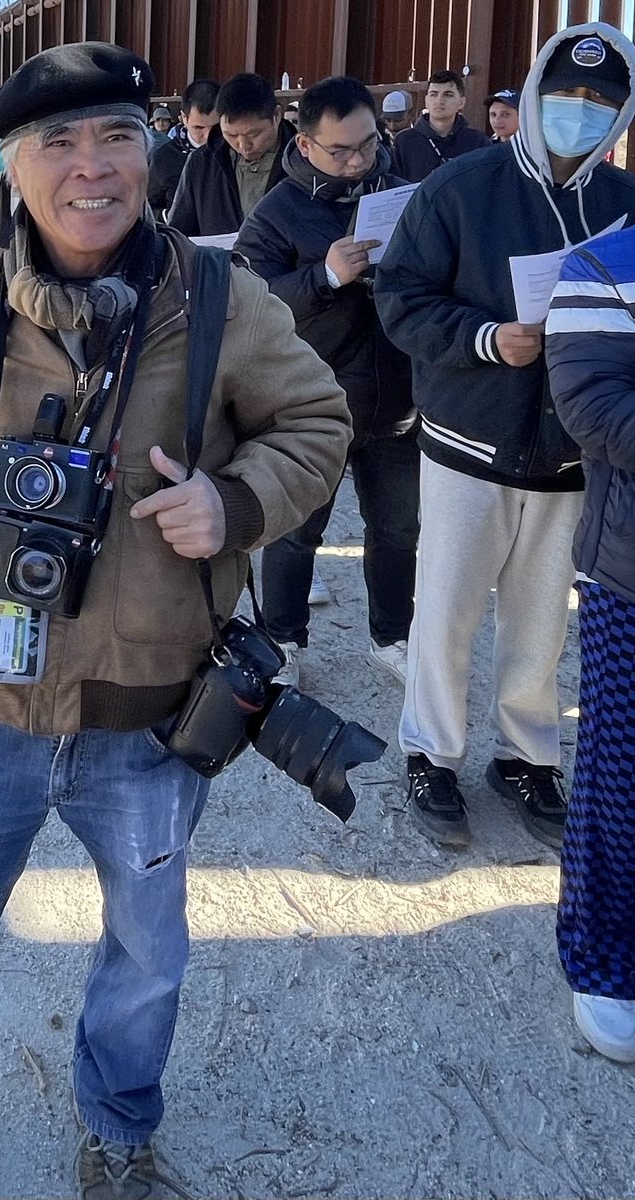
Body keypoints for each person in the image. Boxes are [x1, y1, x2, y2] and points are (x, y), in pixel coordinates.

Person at [0, 41, 351, 1200]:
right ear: (6, 159)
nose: (90, 169)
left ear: (148, 150)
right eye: (57, 141)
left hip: (149, 714)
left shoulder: (214, 297)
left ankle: (118, 1133)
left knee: (148, 956)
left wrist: (234, 499)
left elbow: (315, 418)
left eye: (114, 138)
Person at [374, 22, 635, 851]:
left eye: (600, 102)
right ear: (529, 96)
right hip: (469, 442)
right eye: (564, 95)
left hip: (571, 456)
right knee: (445, 610)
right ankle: (430, 752)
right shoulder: (461, 187)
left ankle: (526, 757)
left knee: (539, 622)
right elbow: (401, 297)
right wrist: (487, 338)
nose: (579, 112)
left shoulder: (623, 206)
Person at [235, 76, 418, 688]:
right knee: (295, 530)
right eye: (340, 150)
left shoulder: (399, 193)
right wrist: (327, 276)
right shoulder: (279, 211)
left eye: (368, 144)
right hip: (313, 399)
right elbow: (253, 302)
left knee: (396, 529)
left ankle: (393, 635)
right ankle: (283, 639)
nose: (358, 160)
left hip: (396, 393)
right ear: (306, 143)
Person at [545, 226, 635, 1064]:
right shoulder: (605, 266)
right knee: (622, 776)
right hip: (628, 573)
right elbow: (593, 411)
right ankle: (609, 959)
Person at [167, 73, 295, 237]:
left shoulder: (302, 162)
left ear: (276, 115)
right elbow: (179, 233)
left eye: (254, 134)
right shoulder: (202, 163)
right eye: (232, 136)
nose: (243, 146)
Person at [392, 69, 490, 182]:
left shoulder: (478, 142)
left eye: (448, 95)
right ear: (426, 101)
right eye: (434, 94)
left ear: (461, 102)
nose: (439, 101)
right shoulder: (404, 141)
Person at [147, 77, 219, 221]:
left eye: (216, 128)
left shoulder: (237, 153)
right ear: (184, 119)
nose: (208, 136)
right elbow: (147, 206)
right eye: (199, 128)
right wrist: (166, 216)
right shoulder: (164, 158)